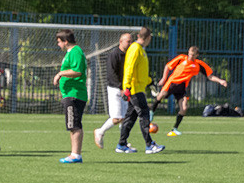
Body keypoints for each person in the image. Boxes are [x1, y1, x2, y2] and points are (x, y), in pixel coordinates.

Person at [151, 46, 228, 136]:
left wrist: (220, 81)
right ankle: (151, 113)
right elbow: (168, 66)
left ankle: (174, 129)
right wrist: (164, 78)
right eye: (190, 54)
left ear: (197, 55)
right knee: (160, 96)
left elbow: (210, 76)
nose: (190, 56)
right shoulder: (181, 58)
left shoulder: (199, 65)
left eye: (193, 55)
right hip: (172, 83)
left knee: (184, 108)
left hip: (182, 87)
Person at [117, 27, 164, 155]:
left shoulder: (140, 50)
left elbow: (140, 71)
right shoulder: (135, 49)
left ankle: (121, 144)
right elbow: (129, 68)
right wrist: (127, 87)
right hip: (134, 89)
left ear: (139, 35)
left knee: (130, 118)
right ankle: (149, 145)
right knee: (144, 115)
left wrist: (150, 82)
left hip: (138, 88)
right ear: (149, 37)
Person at [52, 29, 88, 164]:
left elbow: (77, 71)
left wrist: (60, 73)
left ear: (66, 41)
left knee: (75, 125)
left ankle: (76, 155)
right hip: (70, 94)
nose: (58, 45)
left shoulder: (75, 51)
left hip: (74, 94)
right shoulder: (71, 53)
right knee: (73, 125)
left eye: (59, 42)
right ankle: (74, 153)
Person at [93, 33, 131, 149]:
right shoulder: (114, 55)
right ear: (121, 41)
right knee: (117, 118)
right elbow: (111, 74)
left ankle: (123, 142)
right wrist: (120, 88)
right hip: (115, 89)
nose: (130, 43)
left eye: (131, 41)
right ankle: (100, 131)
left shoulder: (129, 55)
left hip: (124, 89)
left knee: (124, 118)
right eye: (128, 41)